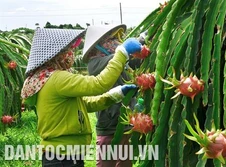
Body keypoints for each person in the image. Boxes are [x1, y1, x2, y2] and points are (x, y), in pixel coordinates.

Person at [21, 28, 142, 167]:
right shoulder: (58, 79)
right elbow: (98, 84)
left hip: (62, 155)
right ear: (56, 54)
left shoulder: (45, 79)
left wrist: (115, 95)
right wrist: (122, 53)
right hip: (63, 158)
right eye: (68, 50)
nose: (71, 54)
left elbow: (85, 104)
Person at [82, 24, 142, 167]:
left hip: (127, 123)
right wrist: (124, 51)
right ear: (98, 46)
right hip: (108, 125)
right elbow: (114, 60)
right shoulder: (95, 63)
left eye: (116, 39)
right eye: (110, 40)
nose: (115, 43)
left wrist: (144, 40)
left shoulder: (119, 60)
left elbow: (133, 60)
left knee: (125, 163)